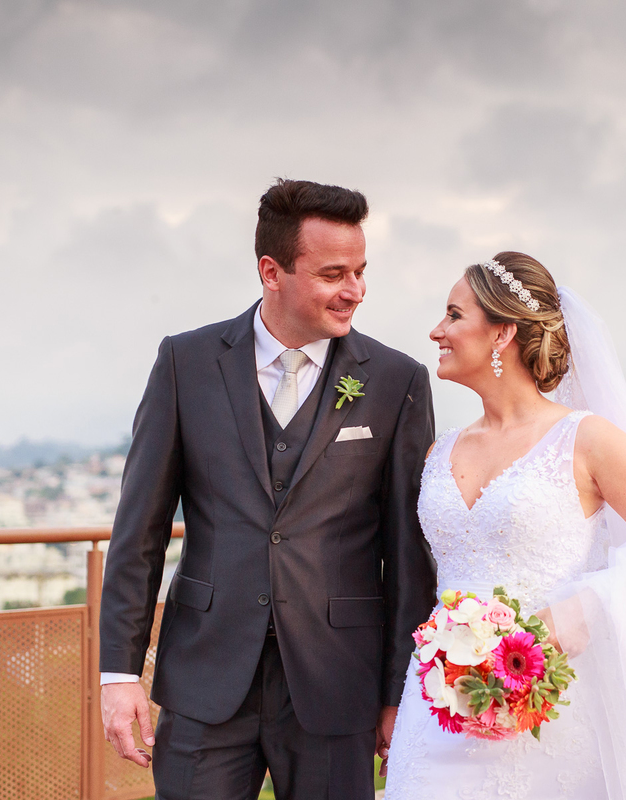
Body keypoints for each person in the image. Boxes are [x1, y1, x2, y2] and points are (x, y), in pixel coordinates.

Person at [384, 252, 626, 799]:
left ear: (502, 332)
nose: (436, 331)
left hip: (551, 709)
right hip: (440, 713)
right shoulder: (438, 450)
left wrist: (574, 613)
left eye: (453, 315)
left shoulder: (587, 440)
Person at [98, 179, 437, 799]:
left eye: (360, 271)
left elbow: (408, 556)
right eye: (335, 273)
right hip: (206, 676)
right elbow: (138, 532)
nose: (355, 290)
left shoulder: (396, 381)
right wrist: (118, 673)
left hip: (338, 685)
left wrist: (401, 693)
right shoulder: (186, 362)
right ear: (271, 271)